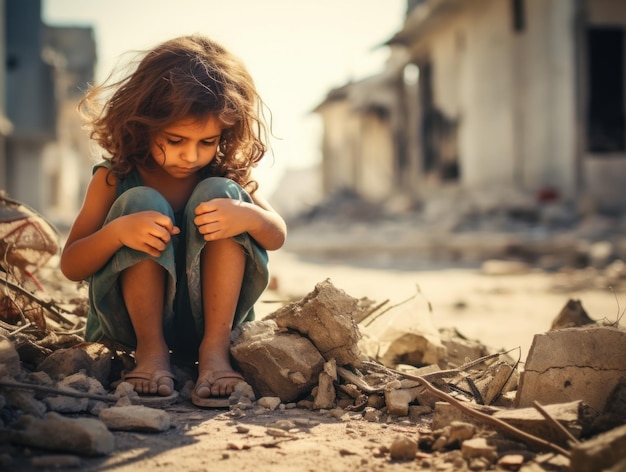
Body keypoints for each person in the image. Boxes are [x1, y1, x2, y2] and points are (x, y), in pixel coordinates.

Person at [60, 35, 287, 407]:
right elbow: (71, 264)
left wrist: (245, 215)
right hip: (130, 330)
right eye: (176, 139)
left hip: (211, 322)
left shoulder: (228, 174)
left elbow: (276, 234)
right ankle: (152, 353)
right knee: (140, 202)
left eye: (207, 141)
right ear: (144, 122)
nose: (191, 155)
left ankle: (214, 354)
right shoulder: (115, 176)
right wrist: (117, 233)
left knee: (221, 195)